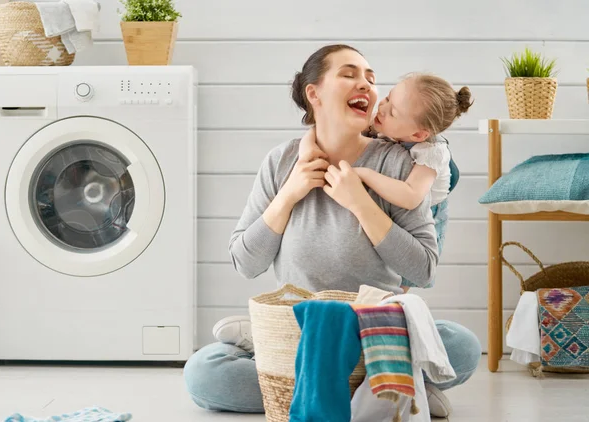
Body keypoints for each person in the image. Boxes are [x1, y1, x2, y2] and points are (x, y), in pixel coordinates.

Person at [184, 44, 481, 419]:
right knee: (203, 373)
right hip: (298, 331)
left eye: (371, 79)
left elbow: (423, 269)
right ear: (315, 93)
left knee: (463, 345)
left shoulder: (395, 162)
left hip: (375, 334)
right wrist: (289, 194)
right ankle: (392, 387)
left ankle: (316, 387)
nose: (367, 86)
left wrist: (360, 202)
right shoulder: (281, 161)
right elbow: (246, 262)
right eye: (350, 74)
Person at [299, 73, 473, 288]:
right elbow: (329, 127)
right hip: (394, 197)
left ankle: (396, 308)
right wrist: (307, 144)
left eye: (392, 112)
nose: (381, 108)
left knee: (403, 278)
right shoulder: (386, 124)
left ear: (418, 135)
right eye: (388, 98)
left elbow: (411, 197)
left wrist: (364, 174)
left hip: (428, 211)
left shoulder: (432, 151)